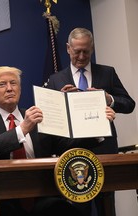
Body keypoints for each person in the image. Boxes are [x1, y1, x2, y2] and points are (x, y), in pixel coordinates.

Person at [0, 66, 116, 216]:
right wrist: (22, 129)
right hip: (0, 196)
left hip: (40, 194)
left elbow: (64, 146)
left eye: (14, 83)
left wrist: (99, 126)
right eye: (2, 84)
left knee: (64, 209)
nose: (9, 88)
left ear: (20, 89)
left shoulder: (37, 116)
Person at [46, 27, 136, 216]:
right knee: (78, 208)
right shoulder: (55, 80)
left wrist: (108, 99)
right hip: (72, 152)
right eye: (76, 51)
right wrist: (59, 102)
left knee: (107, 206)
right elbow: (48, 117)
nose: (80, 56)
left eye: (85, 51)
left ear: (92, 49)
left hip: (104, 149)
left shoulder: (107, 73)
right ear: (68, 48)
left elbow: (129, 104)